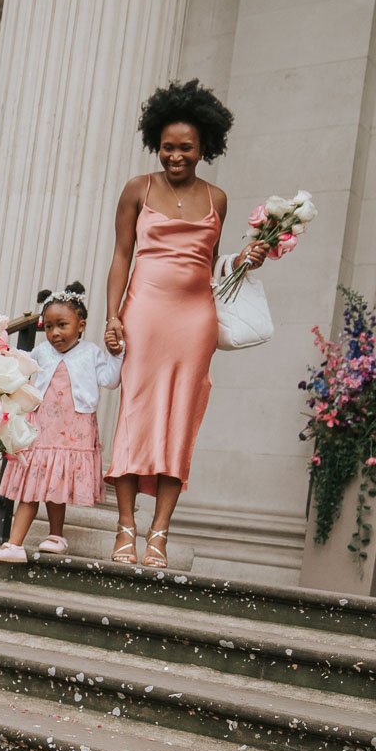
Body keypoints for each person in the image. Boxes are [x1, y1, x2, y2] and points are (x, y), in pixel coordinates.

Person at [102, 80, 268, 568]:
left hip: (195, 320)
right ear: (157, 143)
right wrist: (113, 315)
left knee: (182, 420)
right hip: (144, 313)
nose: (175, 156)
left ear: (205, 148)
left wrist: (246, 259)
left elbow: (212, 266)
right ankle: (125, 529)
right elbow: (121, 255)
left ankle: (160, 535)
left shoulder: (218, 198)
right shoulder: (138, 188)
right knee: (135, 414)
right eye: (168, 147)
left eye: (186, 148)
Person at [0, 282, 121, 563]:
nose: (55, 333)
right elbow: (17, 371)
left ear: (80, 325)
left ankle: (56, 536)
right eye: (48, 327)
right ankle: (14, 543)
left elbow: (110, 380)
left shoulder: (91, 353)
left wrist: (116, 354)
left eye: (62, 325)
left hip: (75, 429)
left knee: (56, 483)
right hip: (41, 429)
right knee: (32, 484)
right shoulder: (40, 353)